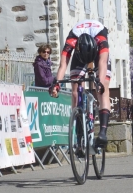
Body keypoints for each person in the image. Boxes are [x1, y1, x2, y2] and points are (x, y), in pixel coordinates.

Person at [50, 19, 111, 147]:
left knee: (103, 87)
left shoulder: (101, 36)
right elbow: (63, 65)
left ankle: (103, 133)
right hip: (79, 54)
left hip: (97, 53)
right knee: (75, 92)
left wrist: (99, 81)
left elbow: (103, 62)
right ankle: (79, 135)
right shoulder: (72, 39)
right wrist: (57, 85)